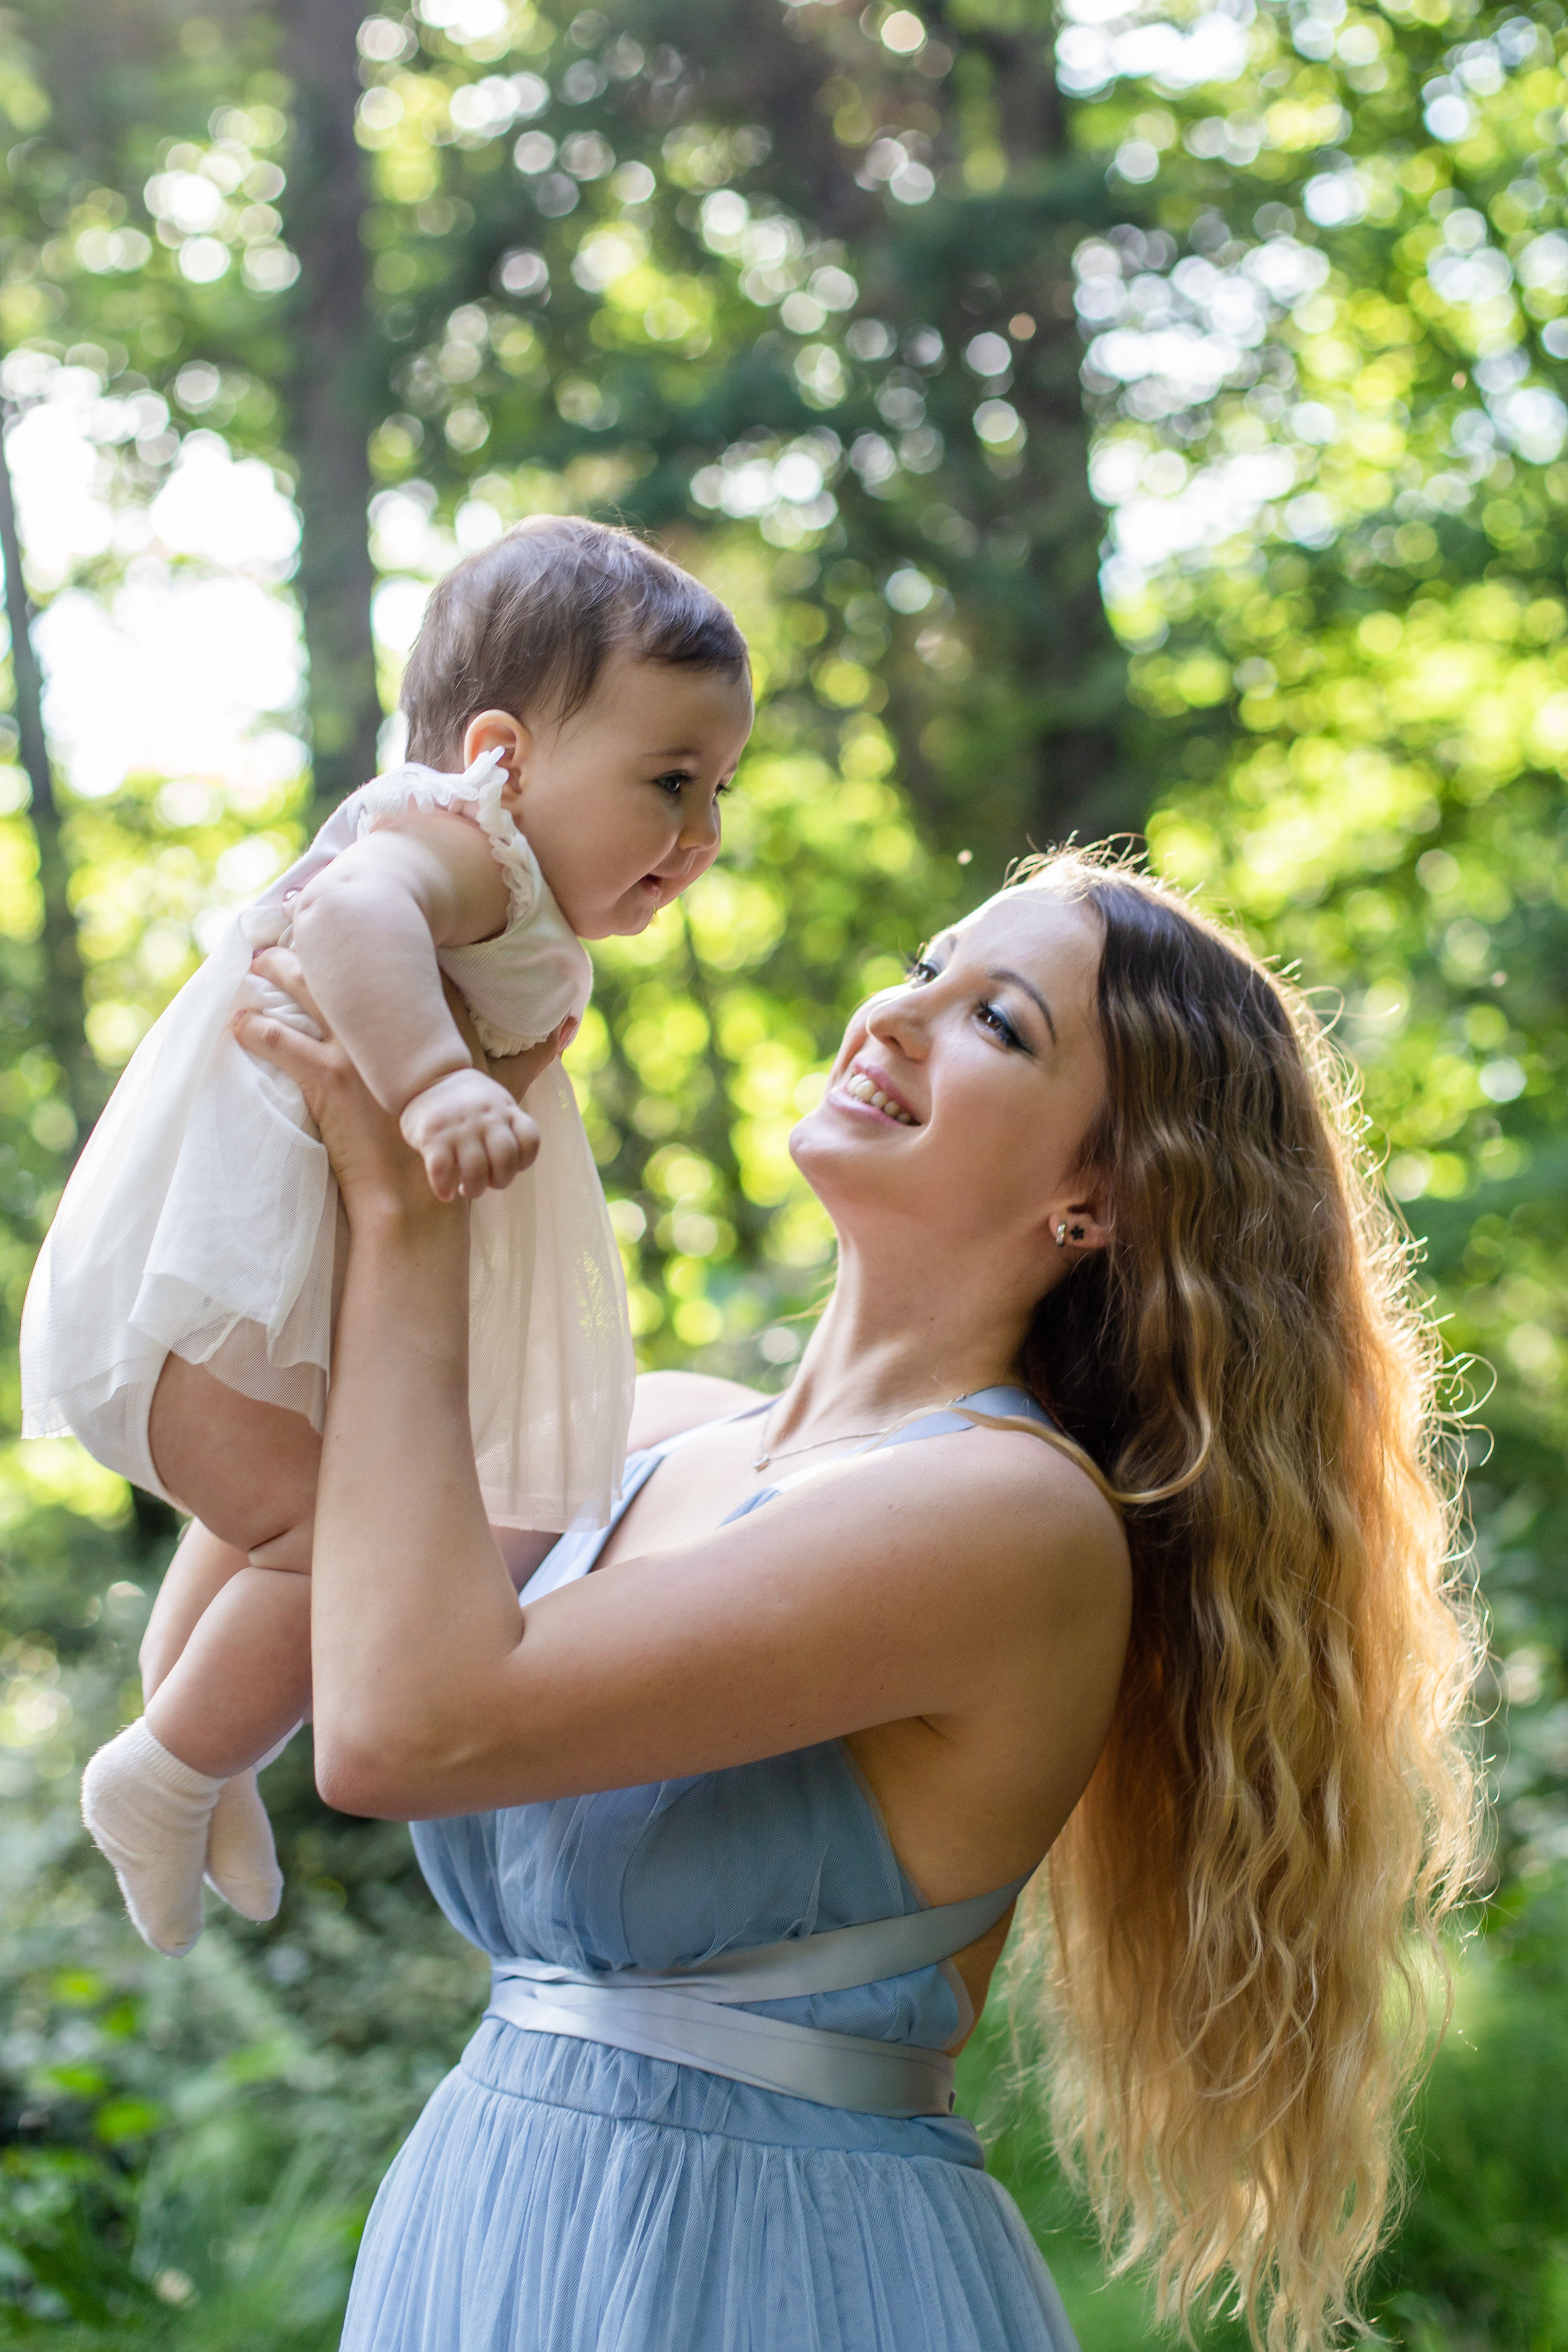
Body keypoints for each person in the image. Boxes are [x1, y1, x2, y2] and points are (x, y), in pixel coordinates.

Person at [234, 847, 1480, 2352]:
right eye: (923, 963)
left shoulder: (1001, 1519)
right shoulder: (650, 1430)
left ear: (1099, 1197)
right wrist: (353, 1018)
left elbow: (400, 1731)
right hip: (490, 2218)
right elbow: (281, 1531)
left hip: (765, 2269)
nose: (893, 1014)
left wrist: (406, 1203)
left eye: (994, 1023)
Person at [21, 518, 753, 1958]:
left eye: (718, 790)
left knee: (282, 1524)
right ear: (501, 755)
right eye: (669, 782)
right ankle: (170, 1765)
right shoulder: (456, 846)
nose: (699, 835)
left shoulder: (520, 900)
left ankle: (200, 1753)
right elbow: (351, 914)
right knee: (330, 1540)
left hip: (268, 1299)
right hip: (219, 1282)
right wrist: (427, 1087)